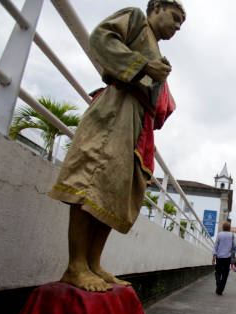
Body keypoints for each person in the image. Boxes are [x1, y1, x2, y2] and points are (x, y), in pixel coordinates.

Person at [47, 1, 185, 292]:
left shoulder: (158, 51)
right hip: (118, 107)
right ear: (157, 7)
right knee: (94, 177)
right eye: (175, 18)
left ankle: (93, 263)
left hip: (138, 122)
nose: (177, 26)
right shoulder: (135, 18)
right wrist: (145, 66)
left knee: (114, 189)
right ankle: (75, 265)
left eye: (180, 23)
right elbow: (101, 37)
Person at [212, 222, 236, 296]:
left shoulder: (219, 234)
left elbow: (216, 246)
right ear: (229, 228)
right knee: (225, 274)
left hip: (219, 257)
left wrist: (213, 257)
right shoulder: (232, 235)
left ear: (223, 227)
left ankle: (218, 285)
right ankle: (220, 290)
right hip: (227, 258)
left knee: (218, 272)